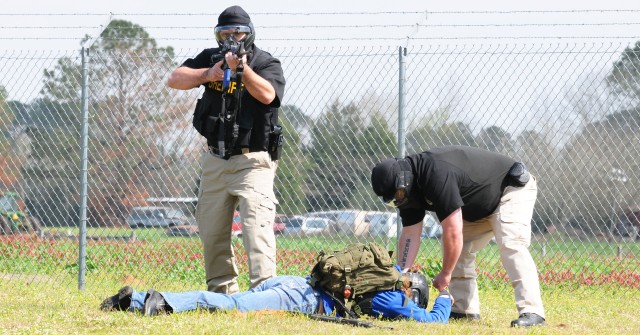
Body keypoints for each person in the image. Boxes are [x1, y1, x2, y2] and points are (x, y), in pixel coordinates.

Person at [166, 5, 286, 294]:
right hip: (215, 160)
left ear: (249, 34)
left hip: (252, 161)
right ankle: (222, 294)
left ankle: (264, 294)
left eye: (238, 32)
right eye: (225, 33)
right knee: (212, 231)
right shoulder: (211, 58)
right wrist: (209, 74)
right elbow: (175, 78)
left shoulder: (266, 62)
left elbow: (269, 94)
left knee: (256, 229)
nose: (232, 38)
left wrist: (242, 71)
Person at [370, 145, 545, 328]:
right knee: (457, 250)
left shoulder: (435, 173)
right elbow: (410, 234)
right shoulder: (405, 192)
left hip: (509, 190)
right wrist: (401, 275)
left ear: (404, 180)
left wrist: (445, 274)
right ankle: (463, 310)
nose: (398, 199)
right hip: (478, 205)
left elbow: (453, 231)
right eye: (393, 199)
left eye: (398, 194)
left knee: (511, 244)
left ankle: (532, 311)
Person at [99, 270, 452, 324]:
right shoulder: (391, 299)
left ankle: (130, 300)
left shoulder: (378, 270)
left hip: (290, 280)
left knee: (240, 303)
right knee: (232, 304)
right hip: (298, 298)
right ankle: (163, 301)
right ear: (413, 293)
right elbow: (431, 321)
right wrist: (446, 296)